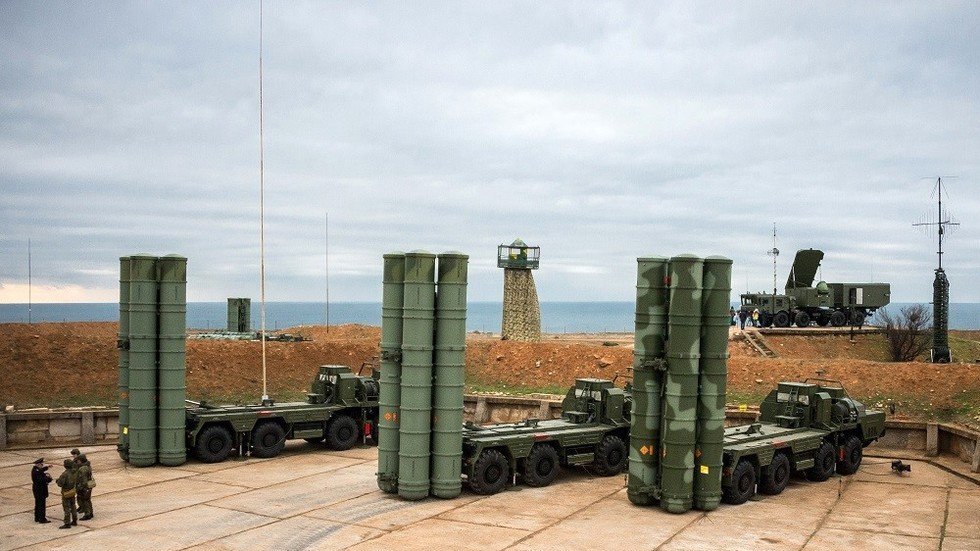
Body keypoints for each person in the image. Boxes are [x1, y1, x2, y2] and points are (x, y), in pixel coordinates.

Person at [54, 459, 78, 529]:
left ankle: (67, 523)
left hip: (66, 492)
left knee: (66, 508)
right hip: (72, 491)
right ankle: (74, 520)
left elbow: (60, 484)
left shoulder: (65, 474)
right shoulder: (74, 472)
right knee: (73, 506)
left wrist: (57, 481)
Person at [31, 458, 52, 523]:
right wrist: (48, 479)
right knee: (41, 505)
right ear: (38, 464)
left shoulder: (36, 469)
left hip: (37, 490)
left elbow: (41, 470)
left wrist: (47, 467)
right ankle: (42, 519)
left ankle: (37, 517)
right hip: (40, 490)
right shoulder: (36, 472)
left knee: (37, 504)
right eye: (41, 464)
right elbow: (41, 480)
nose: (42, 465)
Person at [74, 453, 94, 520]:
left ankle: (87, 514)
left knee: (85, 501)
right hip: (89, 486)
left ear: (80, 460)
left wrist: (80, 487)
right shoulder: (87, 466)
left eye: (78, 460)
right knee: (88, 500)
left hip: (84, 487)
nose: (77, 461)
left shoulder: (82, 469)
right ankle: (90, 513)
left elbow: (84, 481)